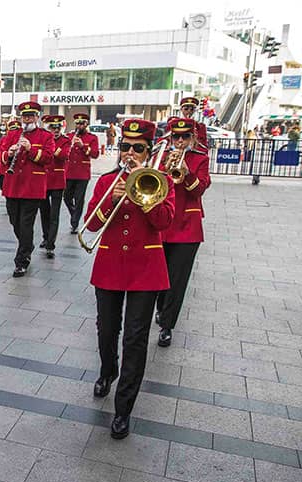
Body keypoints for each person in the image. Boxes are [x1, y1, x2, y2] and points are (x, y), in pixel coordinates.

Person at [85, 118, 175, 440]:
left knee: (135, 337)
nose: (131, 153)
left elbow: (164, 221)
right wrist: (111, 199)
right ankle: (107, 370)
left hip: (146, 270)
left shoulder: (160, 181)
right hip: (110, 265)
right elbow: (90, 225)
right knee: (107, 329)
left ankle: (124, 407)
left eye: (139, 148)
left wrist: (144, 197)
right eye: (126, 147)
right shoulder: (107, 182)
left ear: (149, 152)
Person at [156, 118, 210, 347]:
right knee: (160, 275)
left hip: (187, 226)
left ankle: (167, 325)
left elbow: (199, 189)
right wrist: (164, 169)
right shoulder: (160, 157)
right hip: (162, 224)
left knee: (178, 279)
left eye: (184, 136)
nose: (179, 141)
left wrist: (187, 173)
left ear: (193, 138)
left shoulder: (200, 159)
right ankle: (161, 308)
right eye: (175, 137)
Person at [1, 101, 54, 277]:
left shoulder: (46, 136)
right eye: (24, 116)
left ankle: (21, 261)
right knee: (14, 221)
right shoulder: (13, 134)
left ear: (37, 117)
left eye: (30, 116)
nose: (27, 119)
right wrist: (8, 153)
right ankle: (27, 244)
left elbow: (47, 158)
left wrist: (30, 149)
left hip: (32, 187)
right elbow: (1, 155)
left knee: (25, 224)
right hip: (13, 186)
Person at [63, 113, 100, 235]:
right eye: (77, 123)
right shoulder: (69, 136)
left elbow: (95, 154)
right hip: (69, 172)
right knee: (67, 197)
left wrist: (83, 146)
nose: (79, 126)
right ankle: (74, 214)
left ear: (86, 124)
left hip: (82, 174)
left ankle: (75, 223)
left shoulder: (92, 138)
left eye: (81, 124)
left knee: (79, 199)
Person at [38, 115, 69, 258]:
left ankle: (51, 243)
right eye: (52, 127)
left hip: (57, 181)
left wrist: (52, 150)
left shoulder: (65, 141)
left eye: (58, 127)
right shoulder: (44, 139)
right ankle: (45, 237)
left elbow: (63, 155)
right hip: (44, 180)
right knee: (44, 212)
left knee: (54, 214)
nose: (55, 130)